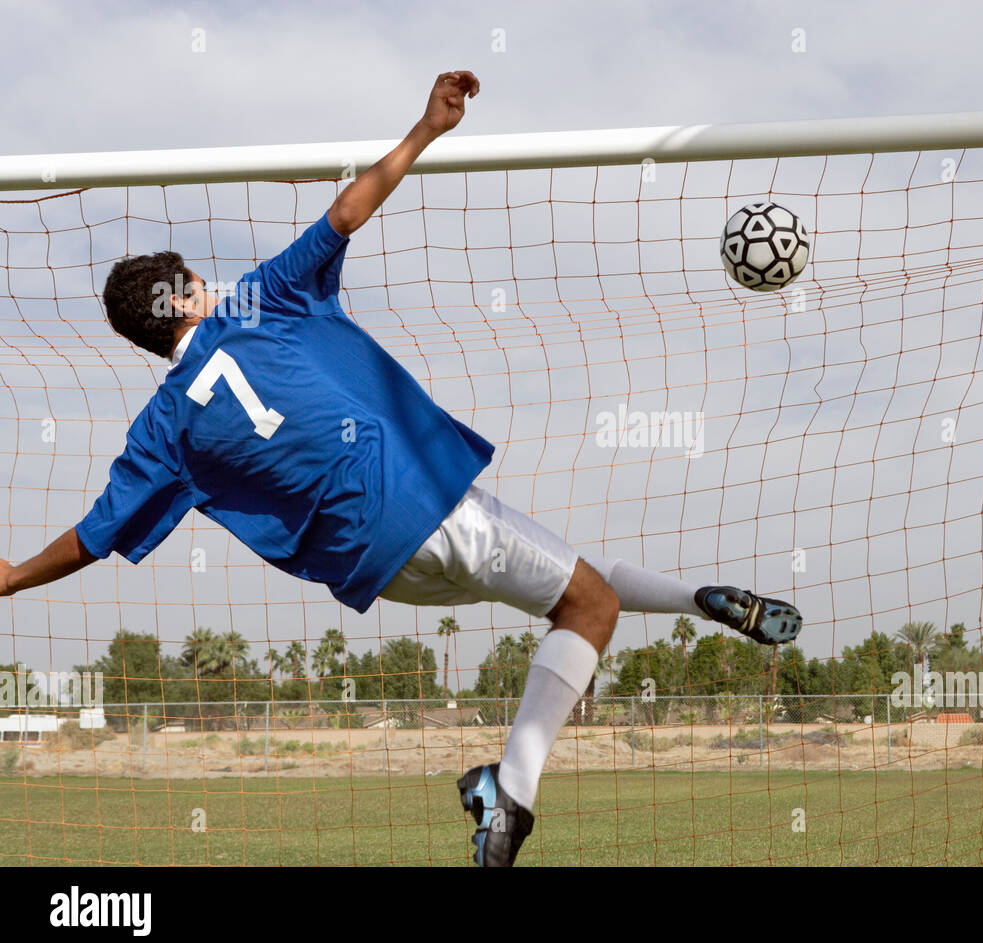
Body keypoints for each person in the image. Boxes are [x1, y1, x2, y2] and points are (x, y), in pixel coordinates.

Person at [0, 71, 802, 867]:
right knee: (589, 607)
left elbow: (91, 538)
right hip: (417, 501)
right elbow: (345, 214)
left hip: (376, 568)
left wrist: (10, 577)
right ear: (180, 300)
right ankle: (510, 792)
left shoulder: (161, 433)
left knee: (573, 584)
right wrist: (426, 129)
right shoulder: (258, 302)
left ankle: (698, 600)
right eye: (194, 281)